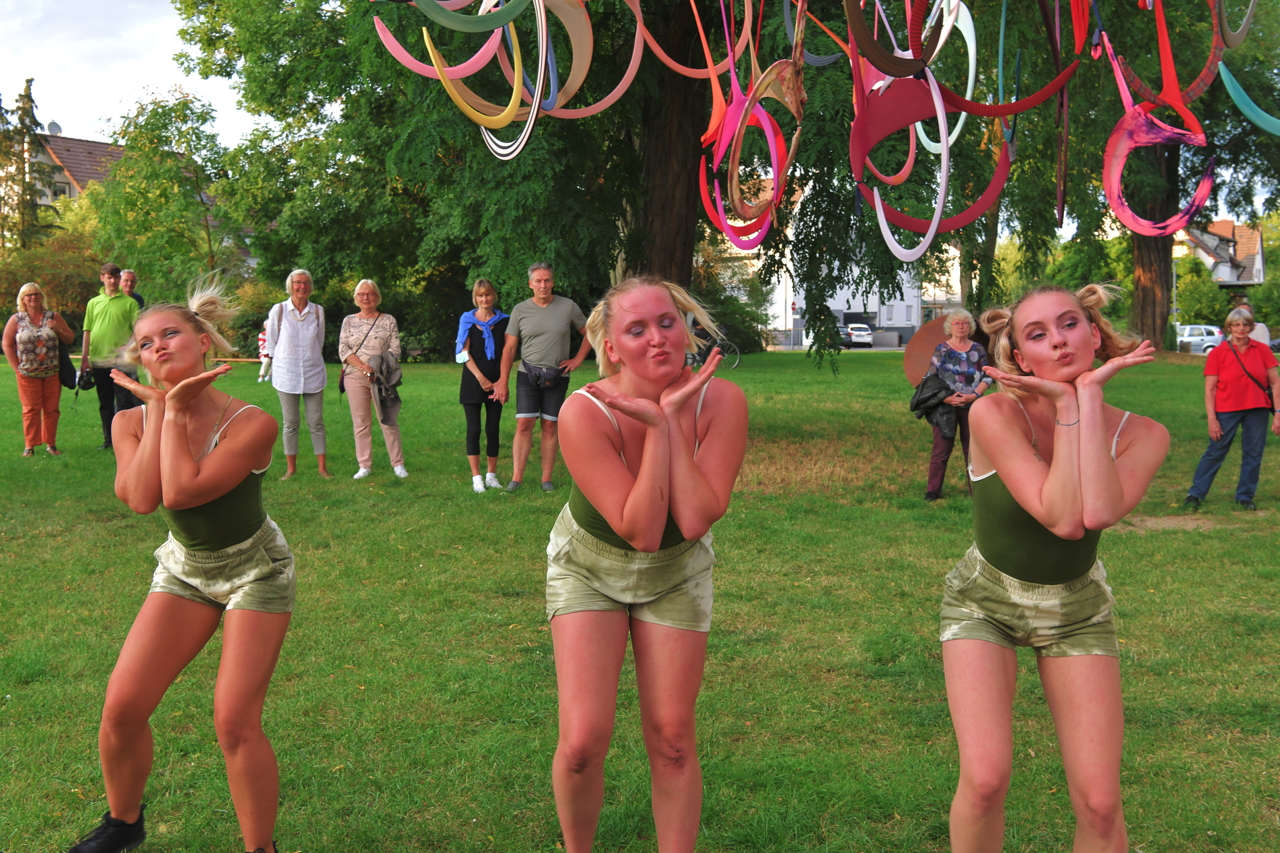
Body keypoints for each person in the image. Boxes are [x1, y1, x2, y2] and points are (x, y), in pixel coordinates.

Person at [941, 284, 1168, 853]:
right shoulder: (994, 412)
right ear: (1020, 359)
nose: (1059, 341)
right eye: (1037, 335)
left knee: (1100, 802)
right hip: (983, 602)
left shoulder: (1144, 434)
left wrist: (1084, 401)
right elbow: (1061, 519)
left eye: (1070, 325)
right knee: (986, 778)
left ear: (1094, 334)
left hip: (1077, 610)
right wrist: (1070, 404)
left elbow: (1097, 512)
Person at [66, 285, 293, 853]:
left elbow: (185, 491)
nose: (158, 347)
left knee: (234, 723)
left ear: (202, 340)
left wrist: (167, 411)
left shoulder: (253, 421)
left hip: (254, 570)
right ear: (138, 360)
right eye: (145, 343)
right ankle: (123, 824)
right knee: (121, 709)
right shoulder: (130, 423)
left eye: (170, 333)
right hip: (186, 568)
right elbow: (143, 499)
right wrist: (163, 408)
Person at [547, 277, 748, 853]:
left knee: (674, 739)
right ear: (610, 347)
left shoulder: (723, 401)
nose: (659, 338)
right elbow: (637, 530)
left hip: (677, 570)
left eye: (667, 322)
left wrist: (669, 423)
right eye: (636, 330)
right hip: (589, 567)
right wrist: (658, 427)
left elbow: (692, 520)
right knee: (583, 740)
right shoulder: (584, 412)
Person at [496, 262, 592, 491]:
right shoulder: (520, 310)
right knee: (524, 424)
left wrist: (578, 359)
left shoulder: (568, 306)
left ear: (553, 282)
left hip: (557, 374)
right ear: (530, 284)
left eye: (547, 280)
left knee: (550, 426)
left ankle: (546, 479)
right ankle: (516, 479)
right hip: (527, 373)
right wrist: (502, 381)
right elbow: (509, 349)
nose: (543, 285)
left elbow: (590, 332)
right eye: (538, 281)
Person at [1183, 307, 1280, 511]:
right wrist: (1212, 419)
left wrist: (1278, 413)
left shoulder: (1262, 350)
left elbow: (1275, 382)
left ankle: (1245, 496)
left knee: (1253, 454)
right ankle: (1195, 494)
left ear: (1251, 327)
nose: (1241, 328)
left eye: (1245, 325)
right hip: (1226, 410)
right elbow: (1210, 390)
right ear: (1229, 327)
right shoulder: (1219, 353)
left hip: (1258, 409)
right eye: (1236, 325)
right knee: (1216, 451)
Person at [265, 269, 331, 480]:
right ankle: (291, 469)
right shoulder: (280, 310)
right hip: (287, 374)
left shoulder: (318, 311)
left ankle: (322, 469)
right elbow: (271, 342)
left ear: (310, 286)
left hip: (313, 373)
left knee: (316, 422)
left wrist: (309, 359)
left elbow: (319, 342)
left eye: (306, 283)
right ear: (290, 286)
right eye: (298, 283)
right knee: (290, 423)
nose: (302, 286)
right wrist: (281, 364)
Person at [339, 279, 407, 480]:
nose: (366, 298)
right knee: (361, 422)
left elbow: (395, 349)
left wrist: (375, 369)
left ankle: (398, 464)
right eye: (361, 294)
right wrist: (363, 367)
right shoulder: (349, 321)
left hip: (382, 378)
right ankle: (364, 465)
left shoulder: (388, 320)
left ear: (377, 297)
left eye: (370, 294)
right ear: (356, 298)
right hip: (354, 376)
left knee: (388, 420)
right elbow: (343, 349)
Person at [922, 309, 991, 501]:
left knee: (973, 451)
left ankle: (976, 491)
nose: (961, 326)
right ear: (949, 327)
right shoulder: (942, 349)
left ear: (970, 327)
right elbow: (931, 378)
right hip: (946, 407)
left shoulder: (978, 349)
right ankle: (933, 491)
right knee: (941, 450)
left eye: (965, 323)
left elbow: (987, 375)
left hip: (972, 406)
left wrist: (975, 395)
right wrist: (946, 398)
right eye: (956, 323)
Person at [3, 282, 75, 455]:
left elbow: (70, 338)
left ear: (42, 297)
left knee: (52, 409)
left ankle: (51, 444)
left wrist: (56, 329)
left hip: (52, 372)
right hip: (27, 373)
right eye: (29, 295)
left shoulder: (53, 316)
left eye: (36, 294)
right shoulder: (16, 320)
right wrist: (16, 368)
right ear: (23, 299)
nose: (33, 297)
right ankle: (30, 446)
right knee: (30, 410)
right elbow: (6, 344)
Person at [456, 278, 509, 492]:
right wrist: (481, 378)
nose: (484, 299)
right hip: (472, 380)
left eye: (487, 295)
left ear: (493, 296)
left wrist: (501, 383)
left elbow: (508, 353)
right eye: (480, 295)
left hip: (497, 382)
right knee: (474, 429)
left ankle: (491, 475)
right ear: (475, 298)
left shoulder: (505, 321)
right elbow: (462, 354)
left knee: (493, 429)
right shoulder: (467, 320)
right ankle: (476, 477)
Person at [80, 263, 140, 450]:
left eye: (115, 277)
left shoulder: (130, 303)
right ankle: (109, 440)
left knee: (124, 402)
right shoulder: (93, 303)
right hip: (99, 359)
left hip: (123, 361)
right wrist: (84, 358)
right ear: (102, 278)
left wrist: (129, 347)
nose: (112, 281)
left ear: (119, 280)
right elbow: (87, 330)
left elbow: (137, 330)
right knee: (105, 402)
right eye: (109, 277)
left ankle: (126, 438)